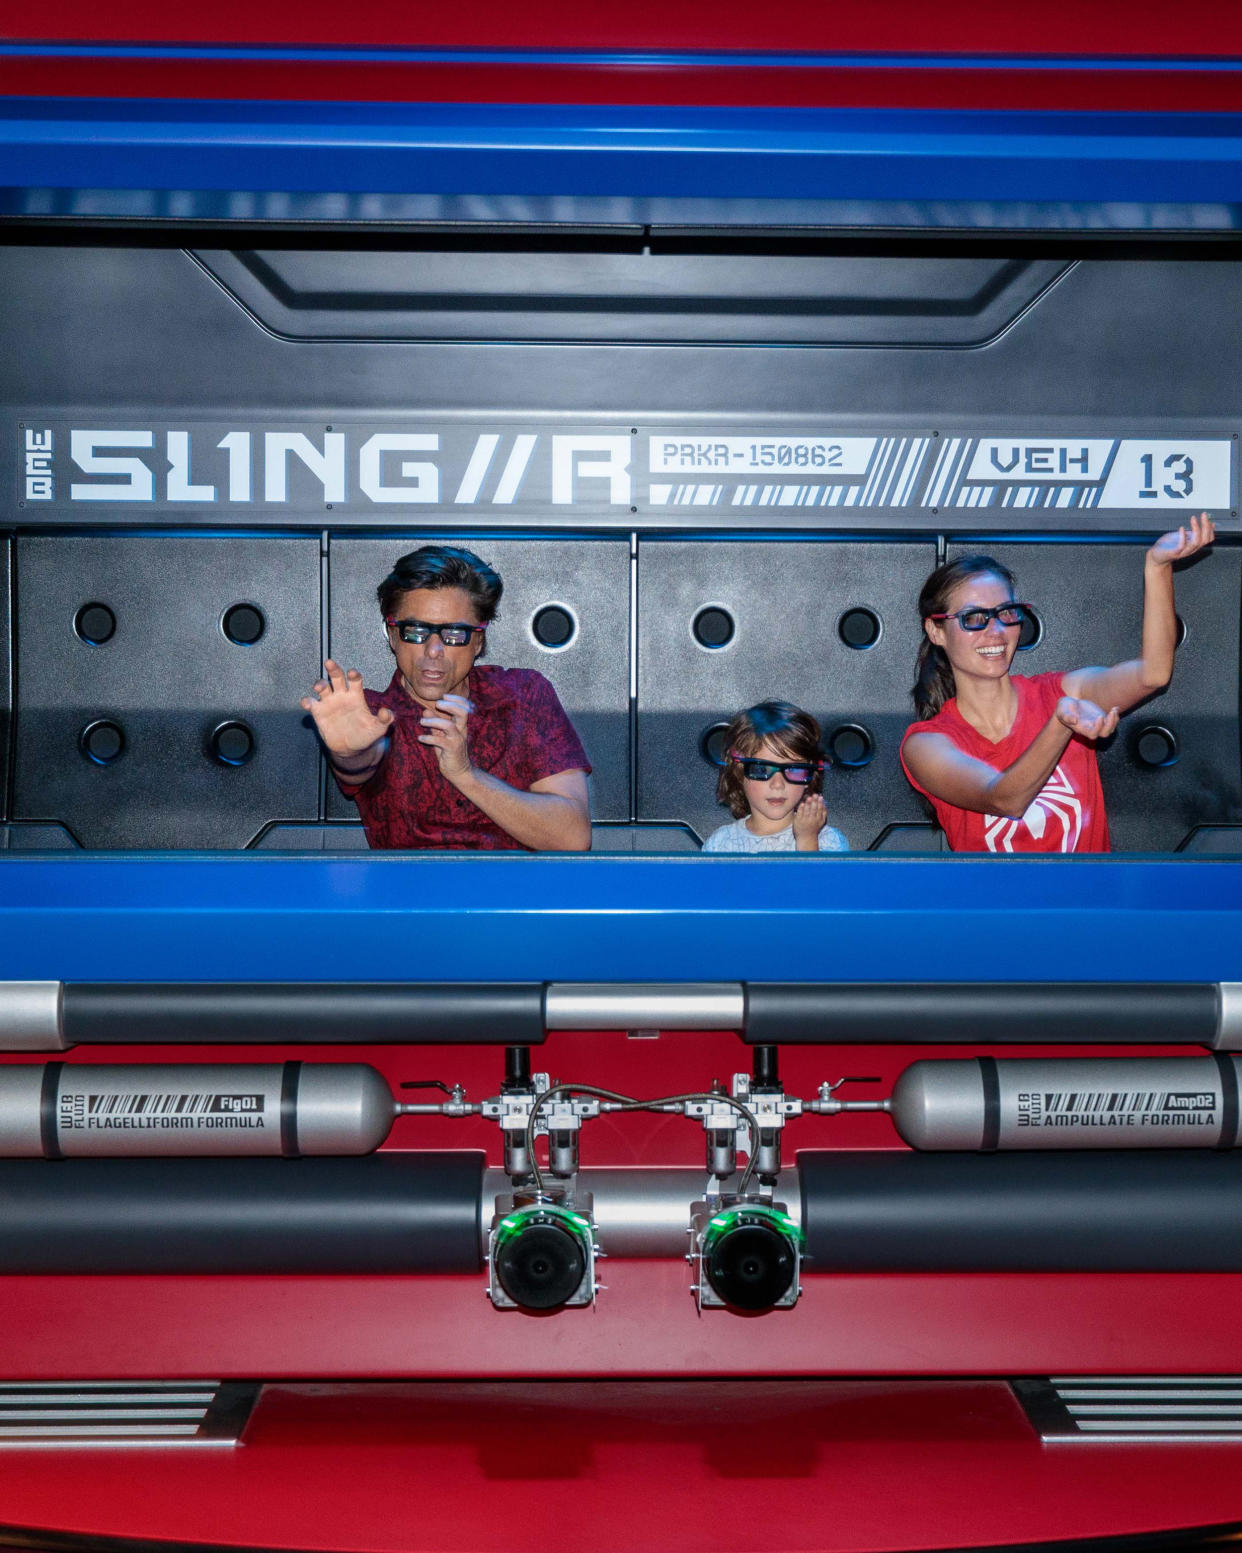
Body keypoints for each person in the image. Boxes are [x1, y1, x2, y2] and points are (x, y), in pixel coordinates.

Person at [899, 515, 1215, 853]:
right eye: (974, 619)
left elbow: (1153, 674)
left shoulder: (1062, 692)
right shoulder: (925, 744)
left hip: (1092, 904)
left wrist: (1157, 566)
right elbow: (1005, 799)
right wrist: (1062, 722)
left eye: (1007, 613)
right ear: (936, 631)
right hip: (997, 907)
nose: (995, 631)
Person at [301, 545, 592, 850]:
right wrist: (349, 755)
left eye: (454, 634)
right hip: (409, 894)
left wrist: (467, 775)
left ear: (478, 640)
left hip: (517, 894)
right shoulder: (371, 715)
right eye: (416, 631)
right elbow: (361, 758)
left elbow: (572, 838)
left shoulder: (524, 697)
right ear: (392, 634)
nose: (433, 650)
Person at [702, 701, 849, 853]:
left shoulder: (827, 840)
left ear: (809, 775)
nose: (778, 784)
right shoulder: (721, 844)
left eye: (793, 769)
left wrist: (807, 839)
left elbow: (817, 878)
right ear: (739, 772)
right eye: (762, 769)